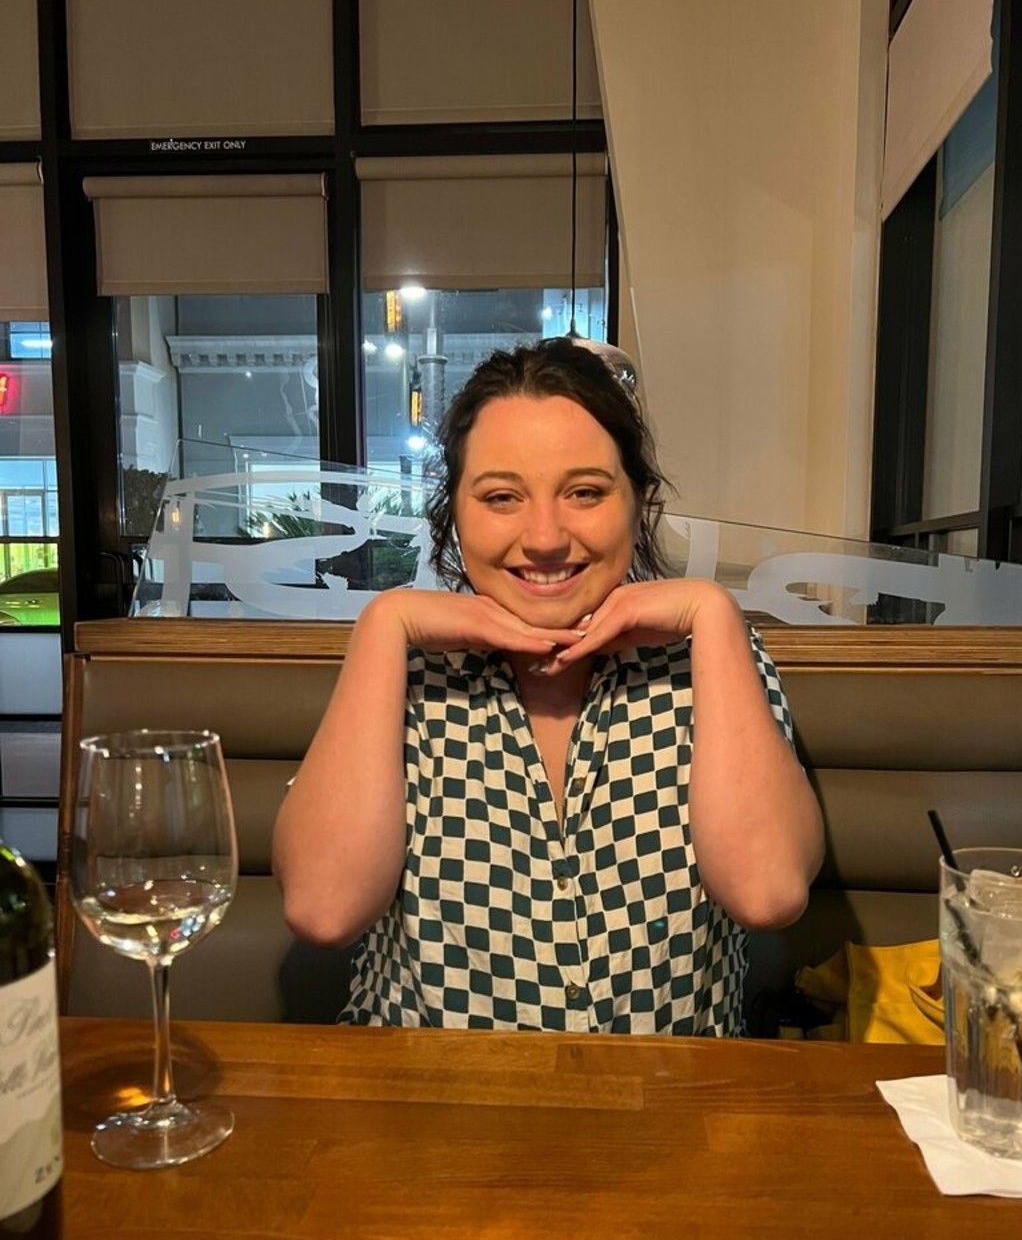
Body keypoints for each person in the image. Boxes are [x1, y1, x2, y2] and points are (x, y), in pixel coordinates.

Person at [273, 336, 824, 1034]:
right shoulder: (405, 669)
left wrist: (713, 612)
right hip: (422, 1094)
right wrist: (384, 624)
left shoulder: (709, 658)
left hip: (671, 1095)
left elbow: (767, 892)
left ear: (639, 502)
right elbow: (324, 909)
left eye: (585, 492)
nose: (543, 538)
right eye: (501, 497)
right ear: (454, 512)